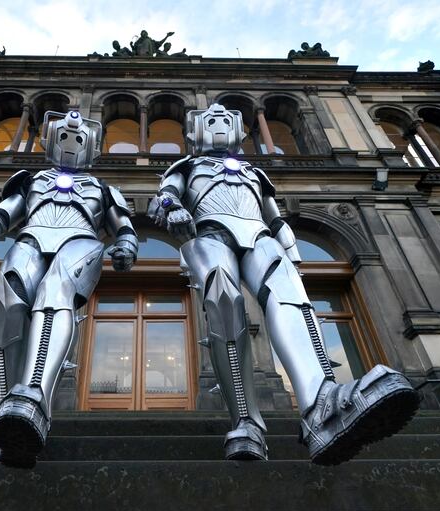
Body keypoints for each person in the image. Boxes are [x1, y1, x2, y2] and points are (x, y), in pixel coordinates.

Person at [148, 104, 419, 464]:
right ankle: (246, 421)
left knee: (290, 295)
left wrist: (290, 250)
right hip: (208, 233)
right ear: (195, 131)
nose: (217, 125)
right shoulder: (187, 166)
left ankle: (320, 405)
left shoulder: (253, 172)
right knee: (223, 299)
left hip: (259, 235)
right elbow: (165, 193)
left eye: (224, 120)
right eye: (210, 121)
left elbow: (272, 215)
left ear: (238, 132)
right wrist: (171, 207)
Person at [0, 110, 138, 467]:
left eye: (80, 139)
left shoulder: (102, 189)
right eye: (65, 137)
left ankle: (34, 399)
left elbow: (123, 224)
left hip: (81, 241)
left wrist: (127, 244)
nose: (71, 144)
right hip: (31, 238)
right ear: (51, 140)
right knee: (9, 298)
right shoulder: (32, 180)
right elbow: (7, 211)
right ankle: (4, 414)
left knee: (56, 293)